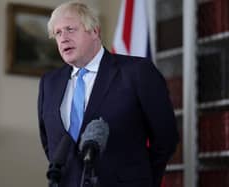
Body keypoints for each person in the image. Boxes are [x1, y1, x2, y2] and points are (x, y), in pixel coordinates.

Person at [37, 1, 179, 187]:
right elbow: (50, 143)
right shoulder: (49, 83)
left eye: (70, 29)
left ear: (94, 31)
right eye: (58, 33)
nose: (63, 38)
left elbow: (165, 138)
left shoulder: (137, 72)